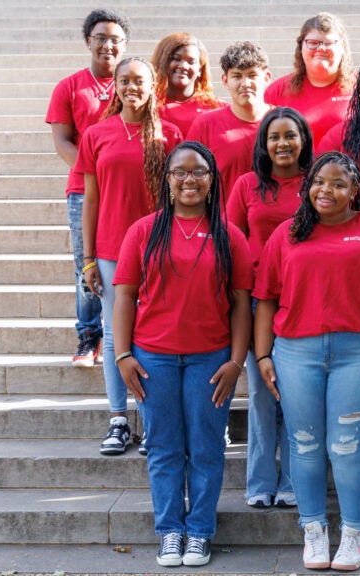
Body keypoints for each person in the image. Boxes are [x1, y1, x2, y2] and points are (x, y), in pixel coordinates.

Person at [253, 152, 360, 571]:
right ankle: (314, 531)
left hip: (359, 355)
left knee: (347, 449)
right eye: (320, 182)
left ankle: (355, 534)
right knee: (303, 446)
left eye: (339, 183)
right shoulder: (287, 234)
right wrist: (263, 353)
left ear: (356, 190)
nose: (328, 190)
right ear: (308, 187)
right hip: (294, 353)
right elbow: (265, 299)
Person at [112, 141, 252, 568]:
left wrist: (236, 360)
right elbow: (124, 297)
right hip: (152, 358)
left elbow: (242, 302)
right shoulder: (143, 230)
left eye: (199, 172)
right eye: (180, 172)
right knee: (164, 446)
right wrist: (122, 356)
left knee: (207, 446)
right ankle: (170, 530)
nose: (189, 180)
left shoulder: (230, 234)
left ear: (212, 180)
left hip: (211, 359)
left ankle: (200, 532)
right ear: (167, 180)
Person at [75, 56, 182, 455]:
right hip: (110, 250)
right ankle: (119, 420)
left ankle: (153, 421)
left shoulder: (169, 133)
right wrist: (87, 258)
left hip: (159, 248)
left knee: (154, 334)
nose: (131, 87)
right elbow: (91, 200)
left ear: (153, 84)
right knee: (115, 333)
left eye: (139, 80)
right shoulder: (96, 134)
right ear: (115, 86)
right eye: (124, 80)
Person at [226, 107, 314, 509]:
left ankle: (295, 481)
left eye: (290, 135)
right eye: (274, 136)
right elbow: (229, 241)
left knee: (296, 396)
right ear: (263, 143)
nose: (282, 143)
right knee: (262, 394)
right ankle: (260, 481)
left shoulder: (315, 183)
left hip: (305, 302)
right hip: (259, 302)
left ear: (303, 140)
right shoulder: (247, 186)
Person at [45, 8, 130, 367]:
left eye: (115, 40)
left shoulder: (135, 81)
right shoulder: (69, 87)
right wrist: (94, 170)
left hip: (128, 189)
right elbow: (63, 140)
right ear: (88, 42)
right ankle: (89, 336)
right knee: (87, 261)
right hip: (84, 190)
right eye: (100, 38)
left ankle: (125, 332)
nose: (108, 45)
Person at [188, 41, 274, 199]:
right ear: (225, 80)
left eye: (252, 75)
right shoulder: (206, 125)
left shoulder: (285, 123)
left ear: (267, 78)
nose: (245, 83)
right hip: (222, 221)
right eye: (237, 76)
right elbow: (191, 180)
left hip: (273, 220)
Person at [265, 12, 355, 147]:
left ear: (342, 47)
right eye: (313, 43)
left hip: (346, 167)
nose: (321, 48)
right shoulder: (277, 91)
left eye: (329, 43)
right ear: (301, 47)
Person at [151, 32, 226, 136]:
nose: (184, 66)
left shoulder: (217, 108)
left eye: (191, 62)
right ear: (162, 62)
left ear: (200, 69)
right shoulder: (147, 105)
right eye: (176, 59)